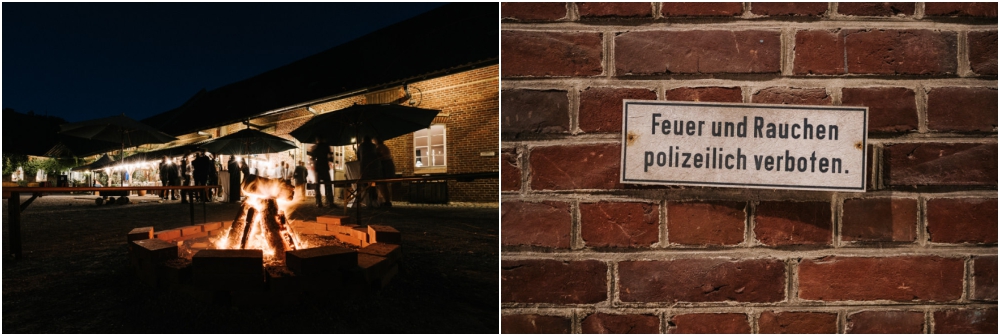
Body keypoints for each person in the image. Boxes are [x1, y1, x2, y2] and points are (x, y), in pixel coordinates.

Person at [308, 137, 334, 207]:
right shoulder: (326, 146)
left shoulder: (316, 147)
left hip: (318, 167)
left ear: (317, 140)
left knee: (317, 185)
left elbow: (312, 158)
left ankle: (318, 202)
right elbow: (331, 158)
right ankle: (329, 202)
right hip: (325, 166)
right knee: (328, 184)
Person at [358, 135, 382, 207]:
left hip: (365, 168)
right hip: (374, 167)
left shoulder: (361, 146)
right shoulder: (373, 146)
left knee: (365, 184)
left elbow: (358, 157)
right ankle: (373, 200)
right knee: (373, 184)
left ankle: (368, 201)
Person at [375, 138, 395, 207]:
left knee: (382, 184)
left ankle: (386, 201)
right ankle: (386, 200)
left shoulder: (379, 147)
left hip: (384, 166)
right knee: (384, 185)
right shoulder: (384, 147)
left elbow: (377, 156)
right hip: (387, 165)